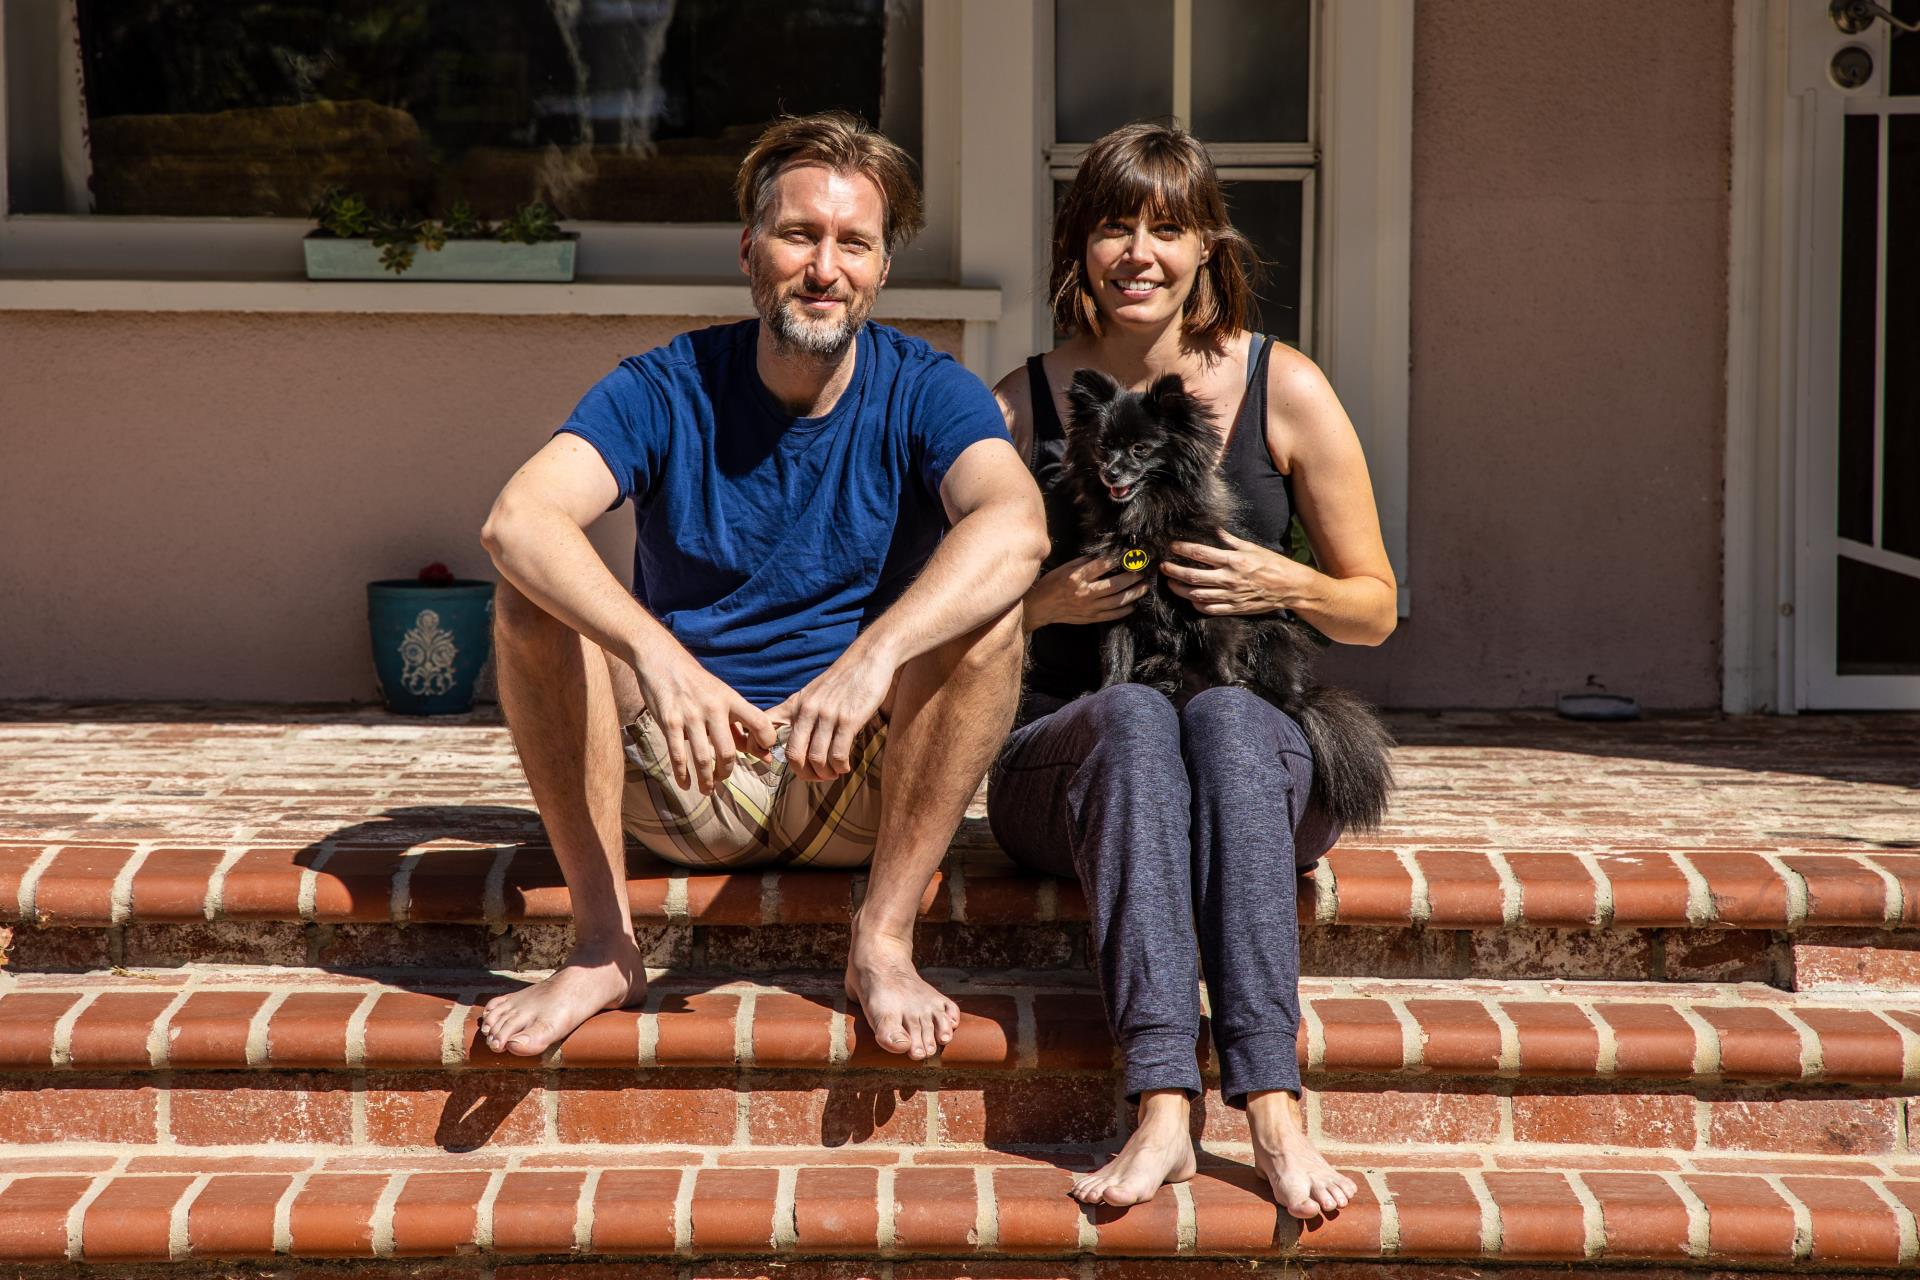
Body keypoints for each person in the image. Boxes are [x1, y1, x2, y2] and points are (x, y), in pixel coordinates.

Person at [477, 112, 1047, 1064]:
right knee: (529, 593)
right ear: (750, 252)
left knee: (992, 615)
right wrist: (657, 656)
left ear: (880, 269)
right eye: (799, 236)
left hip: (855, 777)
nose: (826, 267)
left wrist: (875, 659)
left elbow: (1017, 524)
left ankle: (883, 941)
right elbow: (518, 519)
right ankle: (603, 945)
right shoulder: (665, 385)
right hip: (687, 768)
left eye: (853, 243)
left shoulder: (925, 388)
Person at [987, 121, 1395, 1218]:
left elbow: (1374, 607)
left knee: (1218, 719)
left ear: (1208, 246)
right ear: (1079, 246)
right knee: (1128, 715)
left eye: (1166, 228)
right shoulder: (1018, 403)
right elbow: (932, 619)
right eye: (1114, 225)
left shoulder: (1284, 386)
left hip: (1248, 753)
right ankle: (1163, 1102)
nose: (1139, 252)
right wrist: (1041, 601)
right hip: (1064, 760)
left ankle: (1271, 1101)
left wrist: (1281, 580)